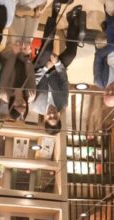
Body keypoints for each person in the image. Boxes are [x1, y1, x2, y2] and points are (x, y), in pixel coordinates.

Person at [28, 1, 85, 133]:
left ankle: (55, 12)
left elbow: (32, 82)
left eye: (50, 117)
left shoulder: (35, 105)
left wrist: (46, 67)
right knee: (71, 54)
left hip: (38, 69)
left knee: (47, 49)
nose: (52, 114)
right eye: (55, 117)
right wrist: (58, 64)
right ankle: (72, 19)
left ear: (45, 119)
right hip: (55, 71)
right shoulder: (63, 102)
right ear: (59, 117)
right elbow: (64, 81)